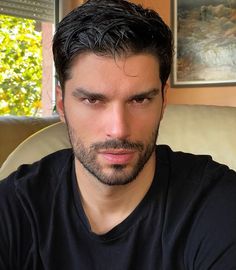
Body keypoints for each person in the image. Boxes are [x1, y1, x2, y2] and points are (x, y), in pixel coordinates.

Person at [0, 0, 236, 269]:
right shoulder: (15, 208)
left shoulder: (217, 202)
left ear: (163, 101)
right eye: (92, 100)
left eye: (140, 100)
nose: (119, 129)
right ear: (63, 105)